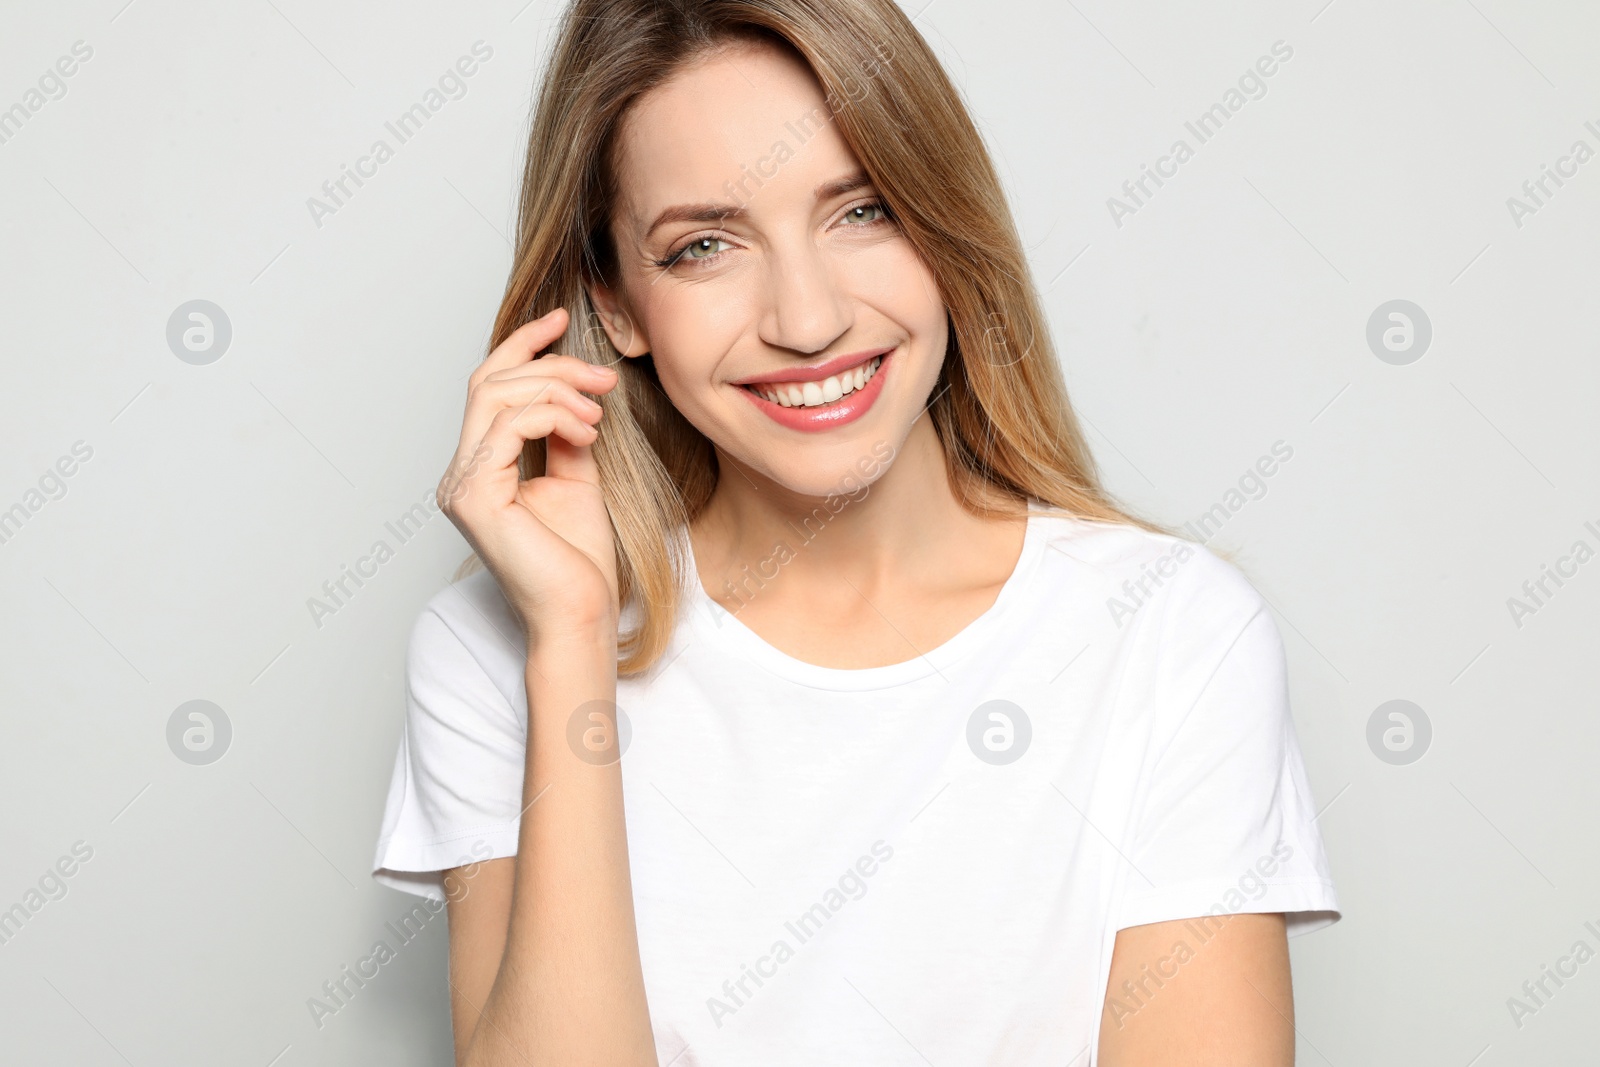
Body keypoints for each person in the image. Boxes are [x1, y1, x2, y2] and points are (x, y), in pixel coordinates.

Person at [371, 0, 1340, 1063]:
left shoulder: (1170, 635)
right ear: (619, 301)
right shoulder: (491, 653)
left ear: (942, 219)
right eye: (703, 244)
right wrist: (568, 643)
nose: (806, 316)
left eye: (862, 211)